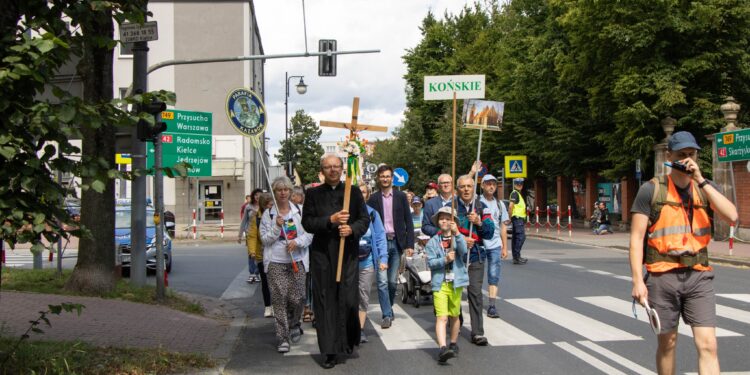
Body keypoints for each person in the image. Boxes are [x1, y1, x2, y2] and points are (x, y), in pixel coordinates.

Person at [629, 131, 737, 375]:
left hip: (699, 275)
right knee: (668, 343)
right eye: (681, 155)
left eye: (691, 154)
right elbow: (636, 239)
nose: (688, 159)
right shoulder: (651, 190)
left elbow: (732, 216)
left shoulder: (705, 188)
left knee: (708, 345)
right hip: (662, 277)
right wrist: (637, 281)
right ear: (669, 156)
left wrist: (700, 180)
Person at [302, 154, 371, 369]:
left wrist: (352, 229)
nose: (333, 170)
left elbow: (364, 219)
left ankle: (348, 341)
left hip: (348, 254)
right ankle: (330, 351)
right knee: (326, 302)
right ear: (322, 170)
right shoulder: (313, 194)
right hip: (323, 256)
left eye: (336, 166)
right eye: (328, 167)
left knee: (349, 300)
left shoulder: (353, 191)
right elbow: (307, 222)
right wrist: (330, 221)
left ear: (342, 169)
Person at [260, 176, 312, 354]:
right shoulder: (269, 215)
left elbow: (310, 234)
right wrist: (276, 227)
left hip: (297, 260)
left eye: (286, 189)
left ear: (290, 192)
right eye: (279, 190)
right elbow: (265, 240)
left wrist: (297, 242)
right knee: (279, 299)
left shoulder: (300, 211)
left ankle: (295, 323)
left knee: (298, 298)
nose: (282, 193)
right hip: (276, 262)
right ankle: (282, 337)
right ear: (274, 193)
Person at [367, 164, 414, 329]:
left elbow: (408, 220)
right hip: (380, 244)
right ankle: (386, 314)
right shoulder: (373, 199)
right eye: (382, 176)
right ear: (378, 179)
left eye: (388, 176)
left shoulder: (401, 196)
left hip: (397, 242)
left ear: (392, 179)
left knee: (392, 282)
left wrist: (410, 244)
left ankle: (389, 307)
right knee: (381, 282)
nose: (385, 179)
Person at [425, 206, 468, 365]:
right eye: (442, 218)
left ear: (454, 221)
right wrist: (444, 260)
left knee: (454, 315)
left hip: (456, 283)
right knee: (441, 317)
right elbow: (430, 262)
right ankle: (442, 348)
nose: (445, 221)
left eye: (448, 218)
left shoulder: (458, 237)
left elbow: (463, 251)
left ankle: (453, 343)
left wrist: (457, 234)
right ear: (438, 222)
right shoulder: (432, 242)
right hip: (440, 283)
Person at [455, 174, 494, 346]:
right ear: (458, 189)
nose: (466, 190)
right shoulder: (451, 207)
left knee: (475, 293)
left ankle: (477, 332)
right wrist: (461, 239)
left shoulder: (481, 206)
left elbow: (489, 232)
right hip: (455, 257)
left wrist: (478, 222)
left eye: (469, 186)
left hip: (476, 255)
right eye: (462, 187)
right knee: (454, 293)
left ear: (473, 188)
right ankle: (456, 321)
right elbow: (443, 229)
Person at [357, 183, 388, 344]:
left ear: (367, 195)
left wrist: (383, 259)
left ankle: (360, 329)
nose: (361, 194)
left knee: (363, 296)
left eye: (363, 192)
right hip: (349, 264)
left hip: (367, 263)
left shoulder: (372, 214)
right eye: (358, 191)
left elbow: (381, 237)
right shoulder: (346, 213)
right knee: (349, 298)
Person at [478, 174, 508, 318]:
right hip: (479, 244)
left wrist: (505, 247)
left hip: (495, 244)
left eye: (493, 184)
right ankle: (476, 300)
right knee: (477, 273)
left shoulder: (499, 204)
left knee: (493, 274)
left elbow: (503, 226)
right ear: (482, 185)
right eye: (488, 184)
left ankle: (491, 305)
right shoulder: (476, 202)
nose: (491, 186)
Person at [239, 192, 274, 317]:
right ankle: (268, 307)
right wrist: (252, 251)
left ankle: (277, 305)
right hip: (261, 254)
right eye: (268, 203)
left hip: (276, 254)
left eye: (271, 202)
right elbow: (252, 235)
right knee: (265, 281)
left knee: (275, 282)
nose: (271, 204)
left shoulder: (277, 215)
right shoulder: (256, 217)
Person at [239, 190, 264, 283]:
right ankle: (252, 273)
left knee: (260, 254)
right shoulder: (248, 207)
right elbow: (244, 221)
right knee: (251, 254)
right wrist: (240, 235)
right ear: (253, 196)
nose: (257, 197)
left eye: (259, 195)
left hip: (262, 234)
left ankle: (257, 273)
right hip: (250, 234)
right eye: (256, 195)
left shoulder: (264, 207)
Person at [508, 178, 528, 264]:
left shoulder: (518, 194)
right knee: (521, 237)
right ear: (515, 184)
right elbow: (510, 206)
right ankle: (517, 256)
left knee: (516, 238)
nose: (519, 185)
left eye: (521, 184)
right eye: (517, 184)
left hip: (519, 219)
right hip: (517, 219)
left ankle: (516, 257)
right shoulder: (515, 193)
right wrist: (509, 218)